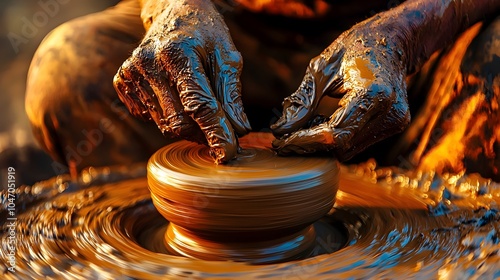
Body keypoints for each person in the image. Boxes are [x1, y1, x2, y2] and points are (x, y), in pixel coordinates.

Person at [25, 0, 500, 179]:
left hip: (413, 34)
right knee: (67, 70)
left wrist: (407, 34)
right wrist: (174, 8)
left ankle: (417, 222)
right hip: (228, 29)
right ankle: (168, 225)